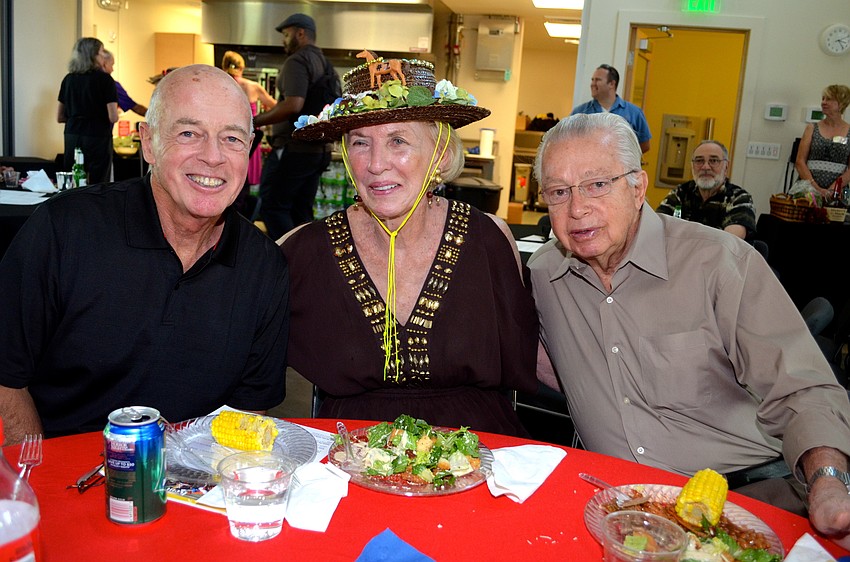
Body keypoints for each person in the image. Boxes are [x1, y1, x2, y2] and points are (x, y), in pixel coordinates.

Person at [528, 113, 850, 548]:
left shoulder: (718, 262)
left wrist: (828, 481)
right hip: (615, 507)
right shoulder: (545, 274)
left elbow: (802, 387)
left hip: (745, 498)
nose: (577, 208)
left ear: (638, 187)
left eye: (597, 184)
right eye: (559, 192)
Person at [0, 65, 290, 445]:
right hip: (63, 478)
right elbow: (6, 377)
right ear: (149, 143)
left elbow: (250, 413)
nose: (214, 157)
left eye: (232, 139)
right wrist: (34, 479)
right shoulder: (65, 231)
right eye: (189, 133)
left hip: (194, 488)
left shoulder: (265, 267)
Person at [279, 54, 538, 436]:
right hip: (349, 460)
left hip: (479, 459)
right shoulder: (303, 251)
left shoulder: (489, 242)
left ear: (440, 155)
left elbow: (536, 357)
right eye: (360, 143)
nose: (376, 163)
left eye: (398, 140)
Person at [253, 13, 340, 240]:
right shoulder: (326, 63)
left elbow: (293, 104)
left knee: (273, 206)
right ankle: (305, 266)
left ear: (300, 33)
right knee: (301, 211)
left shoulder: (297, 61)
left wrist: (255, 120)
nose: (284, 39)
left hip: (294, 148)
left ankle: (285, 264)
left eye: (286, 34)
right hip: (318, 152)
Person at [656, 140, 755, 239]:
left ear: (726, 167)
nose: (705, 167)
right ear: (692, 166)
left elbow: (729, 242)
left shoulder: (739, 199)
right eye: (699, 161)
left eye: (713, 161)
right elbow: (656, 226)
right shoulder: (680, 193)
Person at [57, 37, 119, 185]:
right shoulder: (105, 80)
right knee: (99, 182)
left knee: (73, 180)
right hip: (98, 136)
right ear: (94, 55)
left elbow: (60, 117)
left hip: (72, 134)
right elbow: (113, 117)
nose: (103, 55)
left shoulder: (68, 79)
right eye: (101, 51)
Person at [221, 50, 277, 186]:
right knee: (246, 183)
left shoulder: (219, 85)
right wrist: (264, 114)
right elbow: (277, 107)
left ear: (224, 66)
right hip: (248, 139)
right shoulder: (253, 87)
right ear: (242, 67)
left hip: (223, 137)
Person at [571, 64, 651, 153]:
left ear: (612, 84)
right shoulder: (580, 112)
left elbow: (645, 145)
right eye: (592, 80)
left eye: (597, 80)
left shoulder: (634, 113)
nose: (592, 84)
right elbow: (569, 140)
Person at [795, 84, 850, 201]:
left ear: (841, 104)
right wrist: (816, 188)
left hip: (837, 194)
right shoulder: (811, 128)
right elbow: (800, 162)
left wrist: (832, 190)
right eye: (823, 99)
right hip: (808, 192)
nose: (824, 102)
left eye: (829, 99)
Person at [101, 50, 148, 117]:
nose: (112, 69)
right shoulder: (111, 85)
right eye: (111, 65)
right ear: (104, 64)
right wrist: (156, 117)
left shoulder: (82, 81)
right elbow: (134, 107)